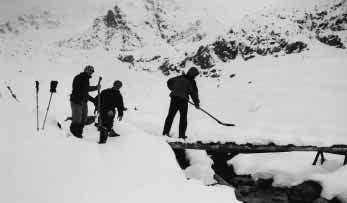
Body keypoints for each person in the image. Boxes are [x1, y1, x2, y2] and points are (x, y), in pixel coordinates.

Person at [162, 67, 200, 139]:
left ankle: (165, 133)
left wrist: (174, 89)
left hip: (174, 98)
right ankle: (182, 136)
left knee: (170, 116)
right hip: (183, 100)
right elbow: (194, 93)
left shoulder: (179, 77)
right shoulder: (192, 81)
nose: (195, 77)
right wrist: (196, 103)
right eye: (195, 75)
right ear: (193, 75)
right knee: (183, 118)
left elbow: (169, 82)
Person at [69, 65, 99, 138]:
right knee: (77, 119)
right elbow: (82, 90)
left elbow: (85, 91)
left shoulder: (86, 79)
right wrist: (95, 88)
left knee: (83, 118)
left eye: (92, 71)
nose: (91, 72)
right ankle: (74, 134)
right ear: (85, 70)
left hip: (83, 101)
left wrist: (93, 98)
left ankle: (79, 133)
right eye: (90, 70)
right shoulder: (79, 77)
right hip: (77, 101)